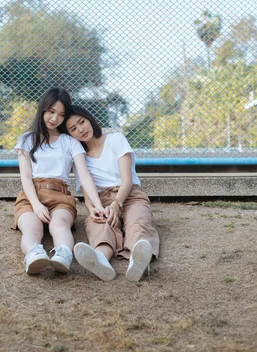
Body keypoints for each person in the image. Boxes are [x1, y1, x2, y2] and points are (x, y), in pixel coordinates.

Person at [13, 88, 106, 275]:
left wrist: (98, 205)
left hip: (61, 195)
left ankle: (63, 254)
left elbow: (84, 175)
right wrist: (36, 204)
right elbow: (25, 176)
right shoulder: (27, 139)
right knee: (32, 228)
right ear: (43, 109)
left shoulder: (69, 141)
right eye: (51, 111)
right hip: (32, 195)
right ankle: (34, 254)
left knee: (59, 224)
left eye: (61, 115)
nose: (55, 118)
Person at [66, 105, 159, 282]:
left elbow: (127, 180)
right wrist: (93, 209)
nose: (81, 130)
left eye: (82, 122)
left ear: (89, 119)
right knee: (99, 225)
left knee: (137, 222)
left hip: (129, 195)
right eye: (73, 129)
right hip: (101, 201)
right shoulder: (79, 157)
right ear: (70, 135)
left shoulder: (116, 139)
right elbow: (87, 196)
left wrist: (116, 205)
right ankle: (101, 259)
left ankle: (138, 261)